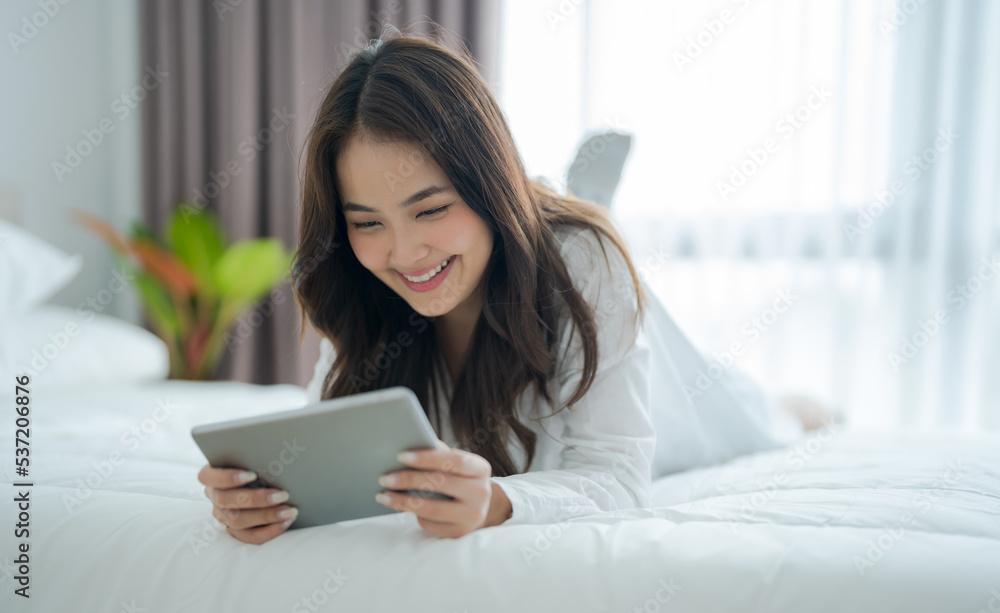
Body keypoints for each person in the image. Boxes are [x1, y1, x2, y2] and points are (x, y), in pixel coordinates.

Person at [198, 30, 800, 545]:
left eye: (431, 210)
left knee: (759, 413)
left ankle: (584, 204)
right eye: (367, 222)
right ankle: (574, 195)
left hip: (670, 380)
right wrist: (267, 499)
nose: (403, 253)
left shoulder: (587, 263)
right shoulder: (364, 284)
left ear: (486, 189)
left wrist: (498, 505)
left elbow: (617, 475)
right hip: (547, 259)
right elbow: (324, 440)